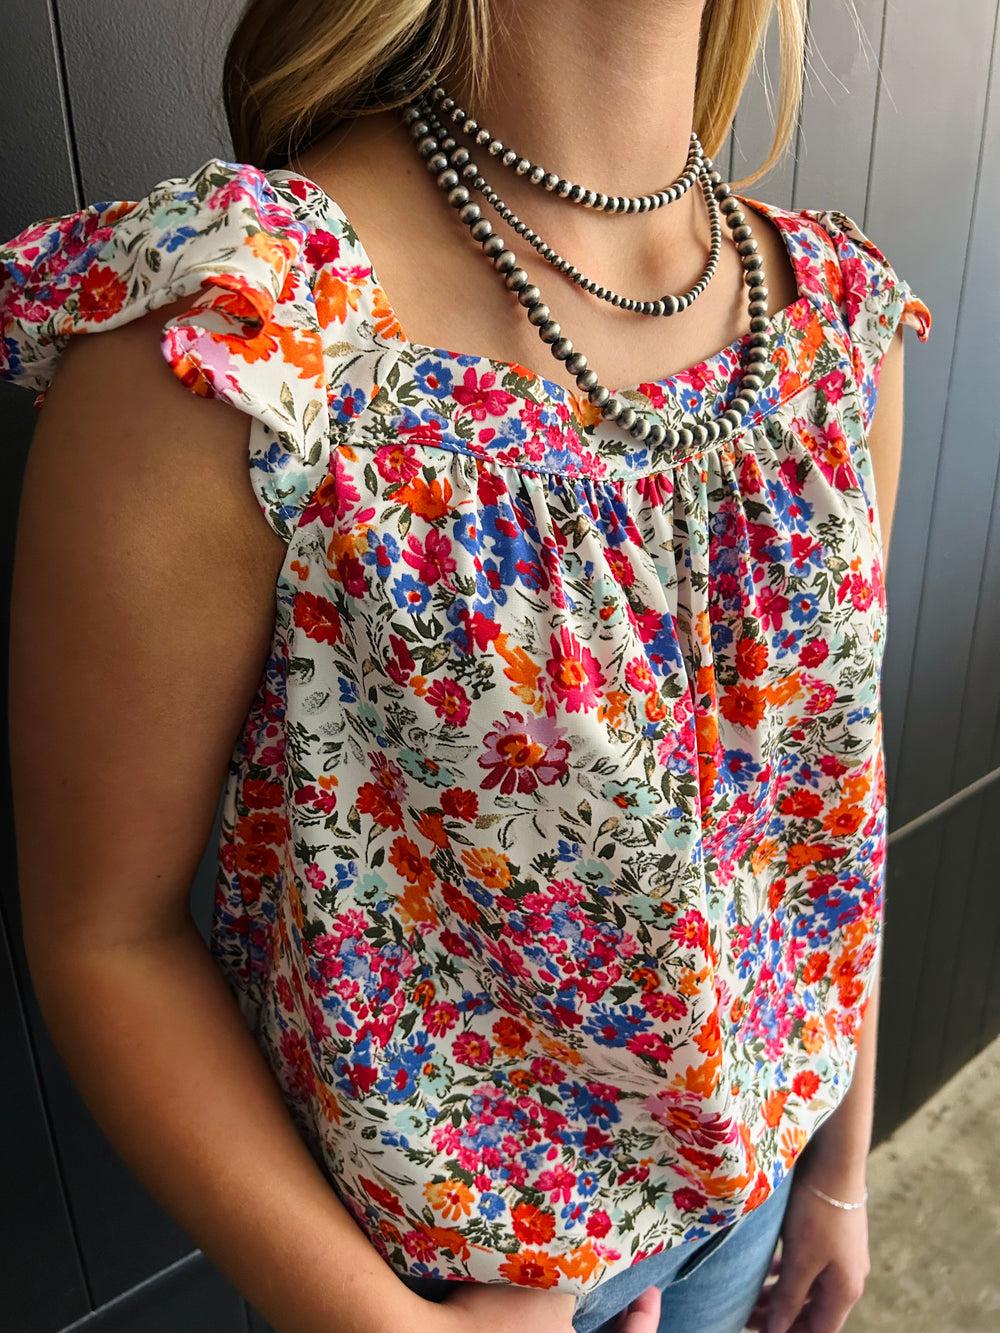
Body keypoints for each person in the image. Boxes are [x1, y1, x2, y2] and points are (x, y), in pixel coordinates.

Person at [0, 1, 932, 1331]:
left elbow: (831, 802)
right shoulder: (251, 335)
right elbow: (107, 934)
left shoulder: (835, 327)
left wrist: (838, 1169)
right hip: (430, 1287)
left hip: (755, 1208)